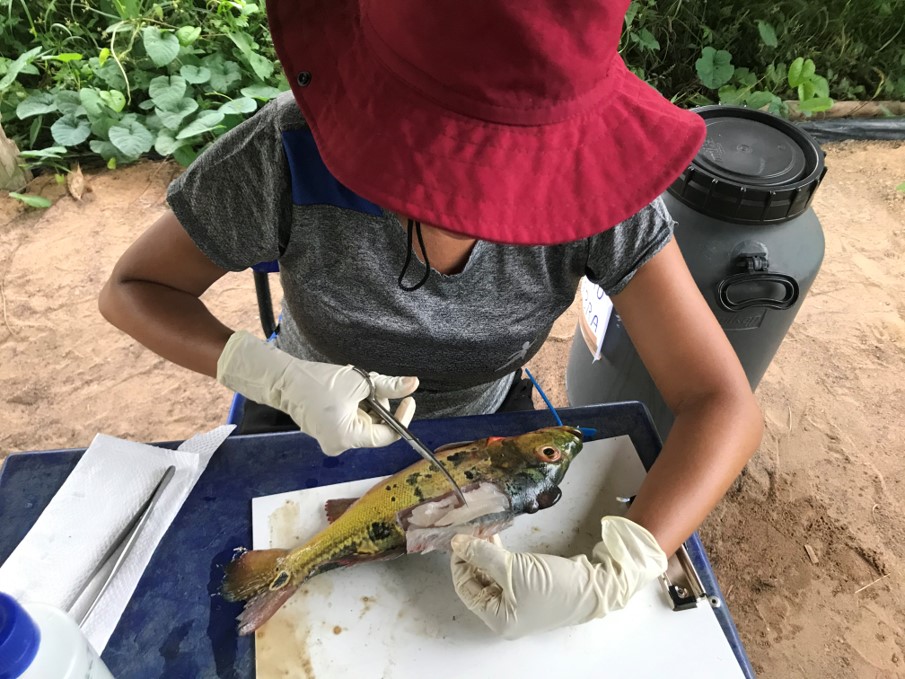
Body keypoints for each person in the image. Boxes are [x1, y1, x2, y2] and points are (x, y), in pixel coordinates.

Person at [98, 0, 763, 640]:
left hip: (489, 432)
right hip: (300, 420)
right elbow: (133, 287)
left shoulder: (597, 186)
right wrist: (271, 374)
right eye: (444, 148)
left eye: (516, 162)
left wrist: (617, 567)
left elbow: (719, 400)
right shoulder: (287, 153)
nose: (471, 200)